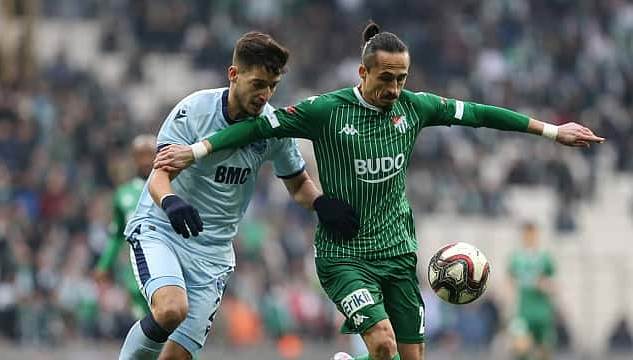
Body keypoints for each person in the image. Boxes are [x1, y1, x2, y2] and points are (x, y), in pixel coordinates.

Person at [154, 22, 605, 360]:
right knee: (384, 344)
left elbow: (482, 115)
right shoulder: (325, 111)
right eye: (385, 78)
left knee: (407, 357)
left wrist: (551, 131)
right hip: (344, 256)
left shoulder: (416, 108)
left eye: (402, 78)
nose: (394, 88)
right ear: (362, 71)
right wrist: (195, 151)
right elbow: (254, 127)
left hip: (397, 253)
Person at [118, 31, 359, 360]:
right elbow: (159, 177)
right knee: (171, 309)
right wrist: (172, 202)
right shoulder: (194, 111)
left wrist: (319, 203)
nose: (265, 94)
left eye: (272, 86)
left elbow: (297, 183)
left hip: (213, 254)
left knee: (177, 356)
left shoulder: (273, 127)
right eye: (258, 83)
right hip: (163, 231)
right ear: (234, 74)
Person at [94, 134, 156, 320]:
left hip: (166, 265)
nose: (146, 161)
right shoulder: (123, 194)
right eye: (141, 155)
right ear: (134, 159)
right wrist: (104, 265)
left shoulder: (173, 188)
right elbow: (116, 234)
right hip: (135, 271)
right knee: (145, 324)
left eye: (150, 155)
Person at [508, 222, 556, 360]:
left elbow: (553, 285)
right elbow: (510, 282)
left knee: (544, 352)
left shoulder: (544, 258)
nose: (529, 237)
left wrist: (543, 286)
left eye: (532, 234)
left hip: (542, 311)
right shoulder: (516, 258)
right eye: (526, 234)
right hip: (523, 310)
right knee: (520, 347)